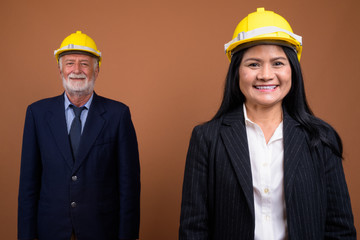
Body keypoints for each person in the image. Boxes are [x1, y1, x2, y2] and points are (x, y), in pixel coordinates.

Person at [179, 8, 356, 240]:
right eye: (253, 64)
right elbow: (193, 230)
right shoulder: (207, 139)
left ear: (292, 69)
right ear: (237, 72)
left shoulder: (321, 138)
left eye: (277, 63)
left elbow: (340, 229)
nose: (265, 75)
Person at [18, 31, 140, 240]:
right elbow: (28, 187)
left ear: (97, 69)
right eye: (69, 63)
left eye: (84, 63)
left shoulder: (118, 115)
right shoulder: (37, 114)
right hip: (51, 232)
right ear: (60, 70)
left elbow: (129, 187)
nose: (76, 70)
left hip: (101, 231)